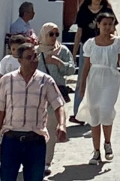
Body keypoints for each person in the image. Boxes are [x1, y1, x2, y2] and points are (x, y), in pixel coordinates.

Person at [0, 42, 68, 181]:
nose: (34, 60)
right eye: (29, 57)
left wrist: (62, 125)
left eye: (35, 56)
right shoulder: (7, 81)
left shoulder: (46, 81)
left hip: (35, 142)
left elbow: (58, 105)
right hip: (11, 141)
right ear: (19, 60)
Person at [78, 11, 120, 166]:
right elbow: (86, 66)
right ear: (98, 25)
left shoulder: (118, 43)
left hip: (110, 78)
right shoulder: (90, 43)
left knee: (106, 110)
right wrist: (82, 86)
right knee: (94, 113)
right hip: (94, 79)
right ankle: (96, 151)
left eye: (110, 24)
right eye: (104, 24)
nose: (107, 27)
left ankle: (107, 142)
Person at [36, 23, 75, 171]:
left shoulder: (62, 50)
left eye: (56, 34)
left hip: (55, 95)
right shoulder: (36, 52)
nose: (53, 38)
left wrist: (59, 62)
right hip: (37, 95)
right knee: (37, 128)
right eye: (50, 34)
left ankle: (47, 161)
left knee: (51, 128)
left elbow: (71, 69)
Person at [70, 0, 111, 123]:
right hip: (87, 49)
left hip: (103, 48)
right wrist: (75, 52)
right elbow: (79, 32)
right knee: (82, 79)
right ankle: (77, 114)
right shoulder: (83, 11)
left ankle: (97, 113)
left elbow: (113, 30)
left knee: (99, 81)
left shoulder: (106, 11)